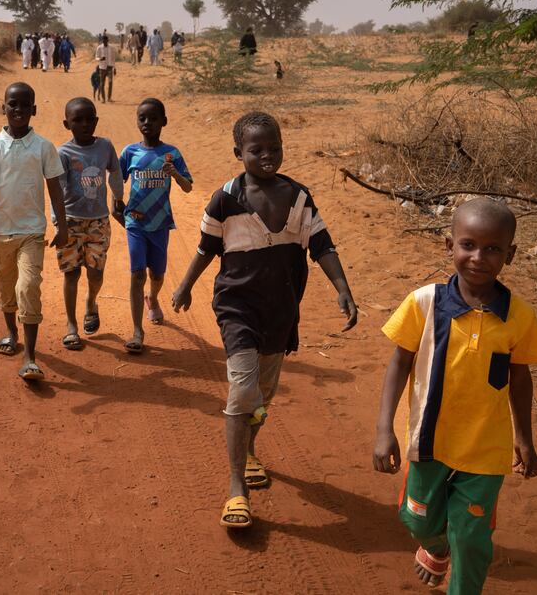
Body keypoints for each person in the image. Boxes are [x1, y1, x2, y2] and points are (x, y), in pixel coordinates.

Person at [171, 110, 358, 530]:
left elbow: (322, 245)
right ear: (239, 153)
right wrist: (184, 286)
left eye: (275, 148)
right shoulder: (225, 198)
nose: (268, 156)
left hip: (282, 311)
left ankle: (250, 451)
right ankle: (237, 487)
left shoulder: (299, 198)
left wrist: (342, 287)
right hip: (237, 308)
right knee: (242, 390)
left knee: (263, 393)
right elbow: (205, 248)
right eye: (257, 150)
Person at [373, 198, 537, 595]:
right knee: (417, 520)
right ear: (448, 245)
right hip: (429, 440)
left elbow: (520, 380)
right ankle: (435, 548)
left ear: (511, 254)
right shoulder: (423, 303)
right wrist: (384, 429)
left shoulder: (519, 317)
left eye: (493, 249)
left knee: (470, 540)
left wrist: (524, 438)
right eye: (468, 244)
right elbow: (398, 364)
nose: (478, 257)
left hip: (486, 449)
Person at [0, 82, 69, 382]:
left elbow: (55, 189)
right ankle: (11, 333)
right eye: (13, 104)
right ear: (4, 108)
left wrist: (61, 225)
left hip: (32, 232)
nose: (19, 110)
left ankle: (30, 357)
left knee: (28, 287)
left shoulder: (44, 147)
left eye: (25, 105)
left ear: (34, 110)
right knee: (6, 287)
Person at [119, 98, 193, 352]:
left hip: (160, 223)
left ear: (164, 121)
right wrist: (116, 204)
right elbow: (117, 181)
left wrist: (176, 174)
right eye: (142, 118)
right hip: (135, 223)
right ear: (137, 121)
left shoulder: (171, 154)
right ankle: (137, 332)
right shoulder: (130, 152)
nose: (147, 122)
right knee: (137, 274)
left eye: (152, 118)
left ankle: (153, 297)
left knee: (157, 274)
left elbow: (187, 187)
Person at [54, 97, 125, 349]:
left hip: (98, 221)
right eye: (77, 120)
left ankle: (91, 302)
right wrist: (58, 222)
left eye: (89, 119)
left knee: (96, 273)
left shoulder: (105, 146)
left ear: (96, 121)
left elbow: (115, 172)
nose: (85, 124)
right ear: (67, 124)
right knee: (70, 273)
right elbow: (58, 189)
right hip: (70, 221)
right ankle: (71, 325)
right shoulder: (63, 153)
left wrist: (118, 200)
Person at [93, 34, 116, 103]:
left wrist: (114, 68)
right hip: (102, 68)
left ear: (107, 40)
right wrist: (100, 59)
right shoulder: (99, 48)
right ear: (102, 41)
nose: (105, 42)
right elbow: (96, 58)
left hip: (109, 67)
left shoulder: (111, 48)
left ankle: (109, 98)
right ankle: (103, 99)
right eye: (103, 41)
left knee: (110, 82)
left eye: (106, 40)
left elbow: (113, 58)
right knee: (102, 84)